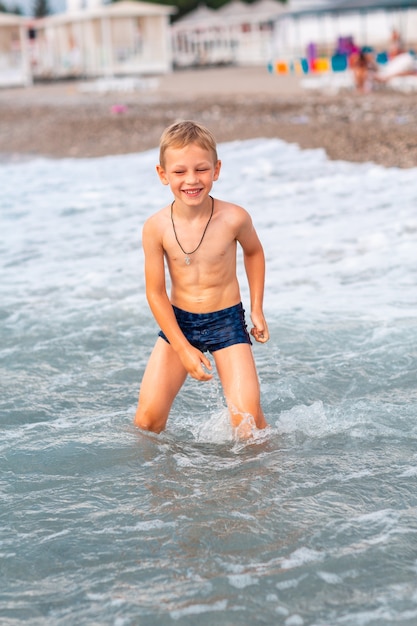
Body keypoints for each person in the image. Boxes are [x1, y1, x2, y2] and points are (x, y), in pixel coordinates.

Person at [134, 120, 269, 436]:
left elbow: (254, 252)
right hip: (179, 323)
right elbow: (155, 293)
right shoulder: (156, 227)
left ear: (216, 169)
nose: (191, 180)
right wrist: (181, 348)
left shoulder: (234, 217)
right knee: (147, 423)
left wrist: (257, 308)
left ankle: (266, 474)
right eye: (179, 172)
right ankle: (163, 482)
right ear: (163, 174)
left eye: (201, 170)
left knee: (249, 427)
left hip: (227, 323)